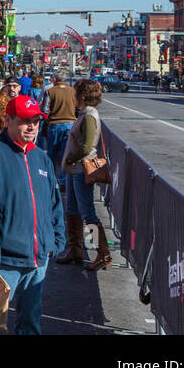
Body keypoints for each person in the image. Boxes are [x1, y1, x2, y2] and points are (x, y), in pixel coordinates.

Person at [0, 95, 64, 335]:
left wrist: (56, 240)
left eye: (36, 121)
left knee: (30, 321)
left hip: (38, 260)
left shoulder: (41, 158)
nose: (31, 126)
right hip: (4, 261)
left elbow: (54, 204)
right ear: (8, 120)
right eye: (24, 121)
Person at [57, 79, 110, 270]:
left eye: (76, 93)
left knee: (87, 212)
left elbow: (87, 146)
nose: (73, 96)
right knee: (71, 209)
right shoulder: (85, 114)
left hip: (80, 169)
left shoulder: (89, 116)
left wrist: (71, 158)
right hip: (74, 169)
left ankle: (102, 253)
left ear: (82, 95)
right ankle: (75, 249)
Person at [41, 71, 78, 189]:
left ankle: (49, 179)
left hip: (55, 124)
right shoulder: (73, 91)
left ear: (54, 80)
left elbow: (45, 110)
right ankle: (63, 181)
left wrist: (48, 120)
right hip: (70, 124)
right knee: (65, 154)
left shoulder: (50, 91)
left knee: (52, 152)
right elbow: (77, 108)